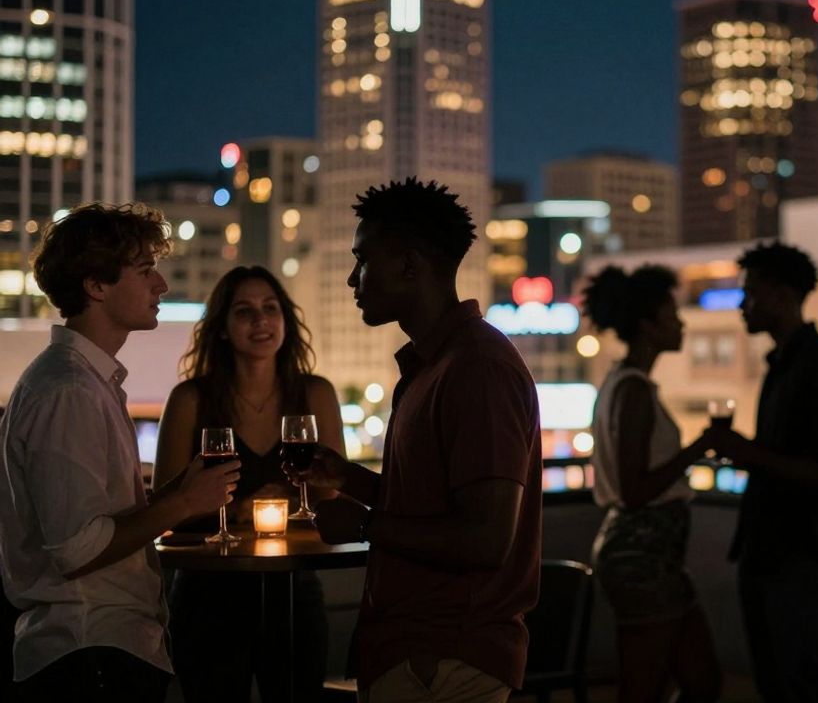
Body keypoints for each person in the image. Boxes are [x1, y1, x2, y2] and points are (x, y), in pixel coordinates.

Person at [291, 178, 542, 703]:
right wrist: (350, 479)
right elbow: (435, 507)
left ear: (409, 266)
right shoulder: (432, 365)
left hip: (446, 655)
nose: (351, 279)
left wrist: (360, 522)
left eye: (362, 260)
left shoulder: (477, 369)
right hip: (416, 648)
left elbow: (485, 538)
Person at [0, 203, 239, 702]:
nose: (161, 286)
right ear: (96, 286)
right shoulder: (69, 390)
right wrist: (181, 505)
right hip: (87, 650)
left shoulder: (86, 381)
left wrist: (173, 494)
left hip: (103, 646)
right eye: (145, 269)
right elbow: (76, 549)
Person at [153, 265, 344, 702]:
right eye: (244, 311)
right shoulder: (191, 400)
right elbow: (165, 505)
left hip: (293, 591)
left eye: (270, 308)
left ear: (285, 321)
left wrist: (294, 503)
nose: (261, 320)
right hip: (208, 595)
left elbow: (333, 495)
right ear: (221, 329)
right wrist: (233, 512)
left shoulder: (314, 394)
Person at [704, 242, 818, 703]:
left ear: (782, 294)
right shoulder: (787, 363)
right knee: (778, 679)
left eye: (749, 292)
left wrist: (745, 452)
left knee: (796, 680)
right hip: (772, 547)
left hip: (799, 550)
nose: (741, 305)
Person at [580, 265, 722, 703]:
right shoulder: (634, 391)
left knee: (698, 680)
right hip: (642, 556)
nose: (680, 322)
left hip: (650, 556)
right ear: (647, 324)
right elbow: (635, 489)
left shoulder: (623, 384)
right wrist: (701, 446)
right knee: (647, 688)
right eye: (671, 314)